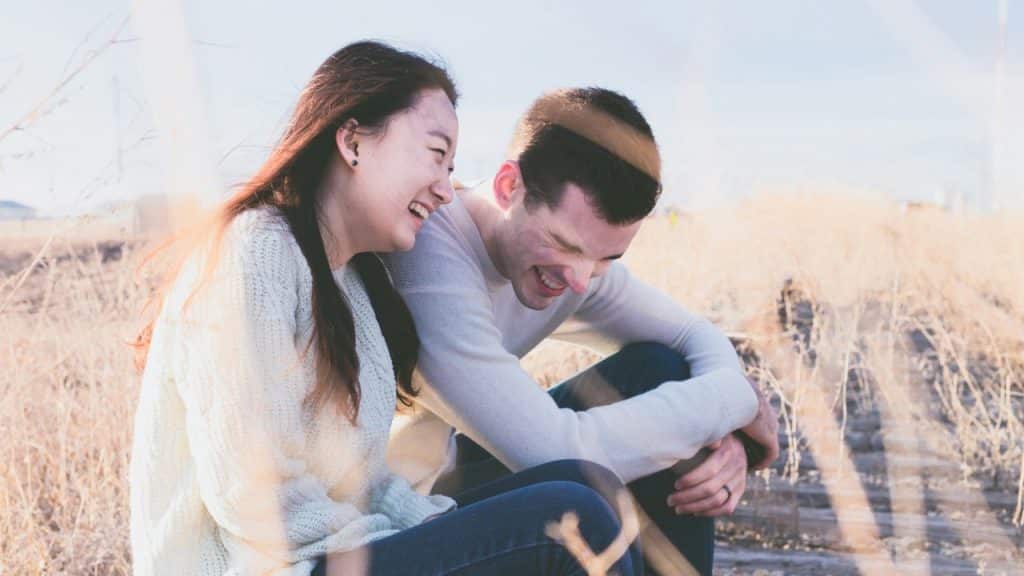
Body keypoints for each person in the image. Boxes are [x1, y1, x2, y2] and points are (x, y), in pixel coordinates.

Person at [130, 43, 641, 576]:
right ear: (352, 141)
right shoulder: (254, 253)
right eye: (435, 155)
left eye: (452, 167)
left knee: (589, 483)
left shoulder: (349, 284)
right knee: (568, 519)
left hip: (331, 554)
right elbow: (254, 495)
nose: (446, 190)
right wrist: (406, 539)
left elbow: (361, 481)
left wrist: (428, 525)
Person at [384, 87, 781, 576]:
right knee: (584, 501)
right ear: (510, 186)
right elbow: (556, 452)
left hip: (442, 481)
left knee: (663, 369)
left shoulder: (576, 266)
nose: (579, 278)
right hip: (386, 524)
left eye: (606, 258)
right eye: (563, 243)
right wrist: (732, 404)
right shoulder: (428, 259)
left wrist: (726, 438)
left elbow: (692, 336)